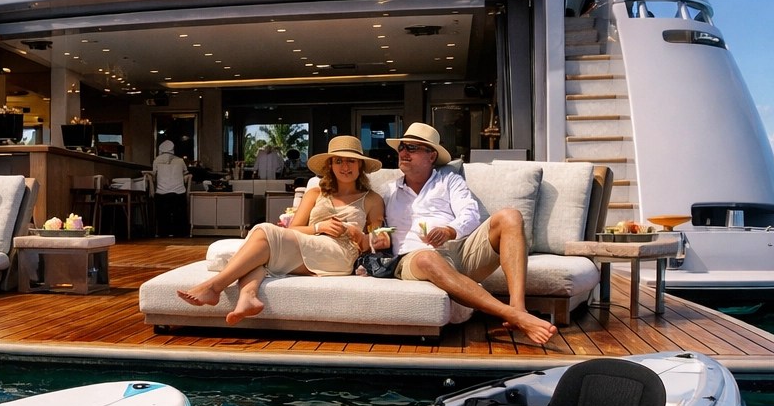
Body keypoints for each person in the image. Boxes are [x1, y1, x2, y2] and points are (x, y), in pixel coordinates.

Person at [372, 121, 557, 345]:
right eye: (402, 147)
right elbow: (377, 228)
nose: (403, 152)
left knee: (511, 216)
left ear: (431, 156)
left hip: (458, 251)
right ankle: (512, 315)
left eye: (412, 148)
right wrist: (378, 236)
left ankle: (518, 306)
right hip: (414, 259)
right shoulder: (387, 191)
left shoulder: (450, 181)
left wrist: (450, 230)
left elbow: (470, 214)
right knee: (427, 257)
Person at [177, 135, 385, 325]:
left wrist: (355, 233)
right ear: (330, 165)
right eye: (338, 161)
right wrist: (319, 227)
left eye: (351, 161)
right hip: (308, 243)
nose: (345, 166)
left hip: (339, 253)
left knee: (263, 233)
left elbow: (377, 242)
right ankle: (247, 297)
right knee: (261, 246)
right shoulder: (315, 193)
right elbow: (294, 229)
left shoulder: (372, 199)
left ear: (360, 165)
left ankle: (214, 287)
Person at [152, 139, 190, 237]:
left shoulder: (156, 160)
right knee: (180, 214)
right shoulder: (180, 161)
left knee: (162, 214)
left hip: (162, 194)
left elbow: (154, 176)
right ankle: (180, 233)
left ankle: (162, 232)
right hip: (179, 193)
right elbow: (186, 175)